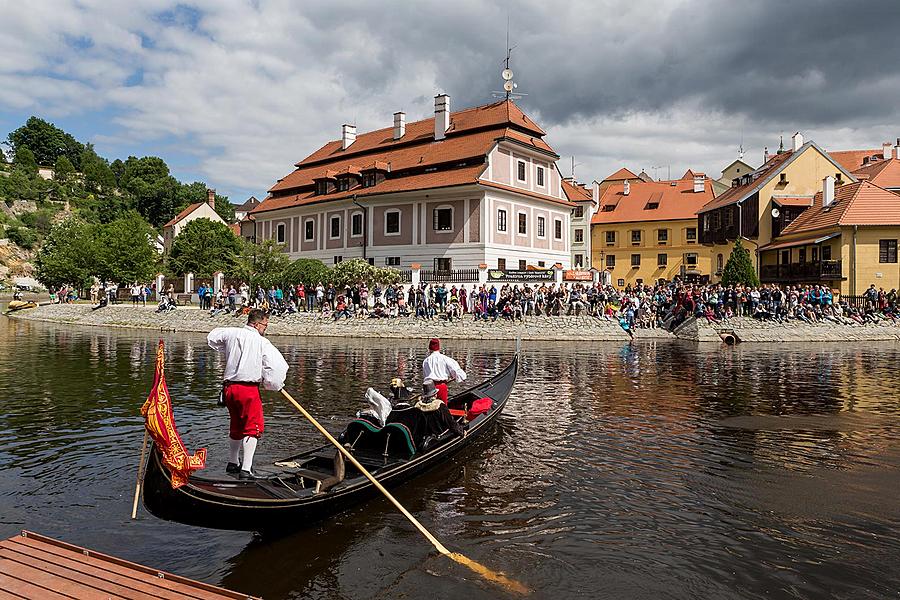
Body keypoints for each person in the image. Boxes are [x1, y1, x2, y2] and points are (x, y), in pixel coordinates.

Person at [207, 309, 289, 480]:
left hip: (229, 389)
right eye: (265, 325)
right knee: (253, 427)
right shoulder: (262, 342)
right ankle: (246, 469)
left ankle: (233, 462)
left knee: (236, 424)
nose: (266, 328)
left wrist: (228, 350)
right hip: (247, 389)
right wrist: (272, 385)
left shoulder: (231, 333)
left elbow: (212, 338)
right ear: (257, 324)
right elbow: (277, 367)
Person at [421, 338, 466, 404]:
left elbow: (425, 376)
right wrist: (460, 377)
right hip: (442, 387)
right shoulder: (445, 359)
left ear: (429, 349)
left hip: (429, 388)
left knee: (430, 407)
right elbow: (456, 371)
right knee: (442, 406)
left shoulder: (426, 361)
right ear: (439, 348)